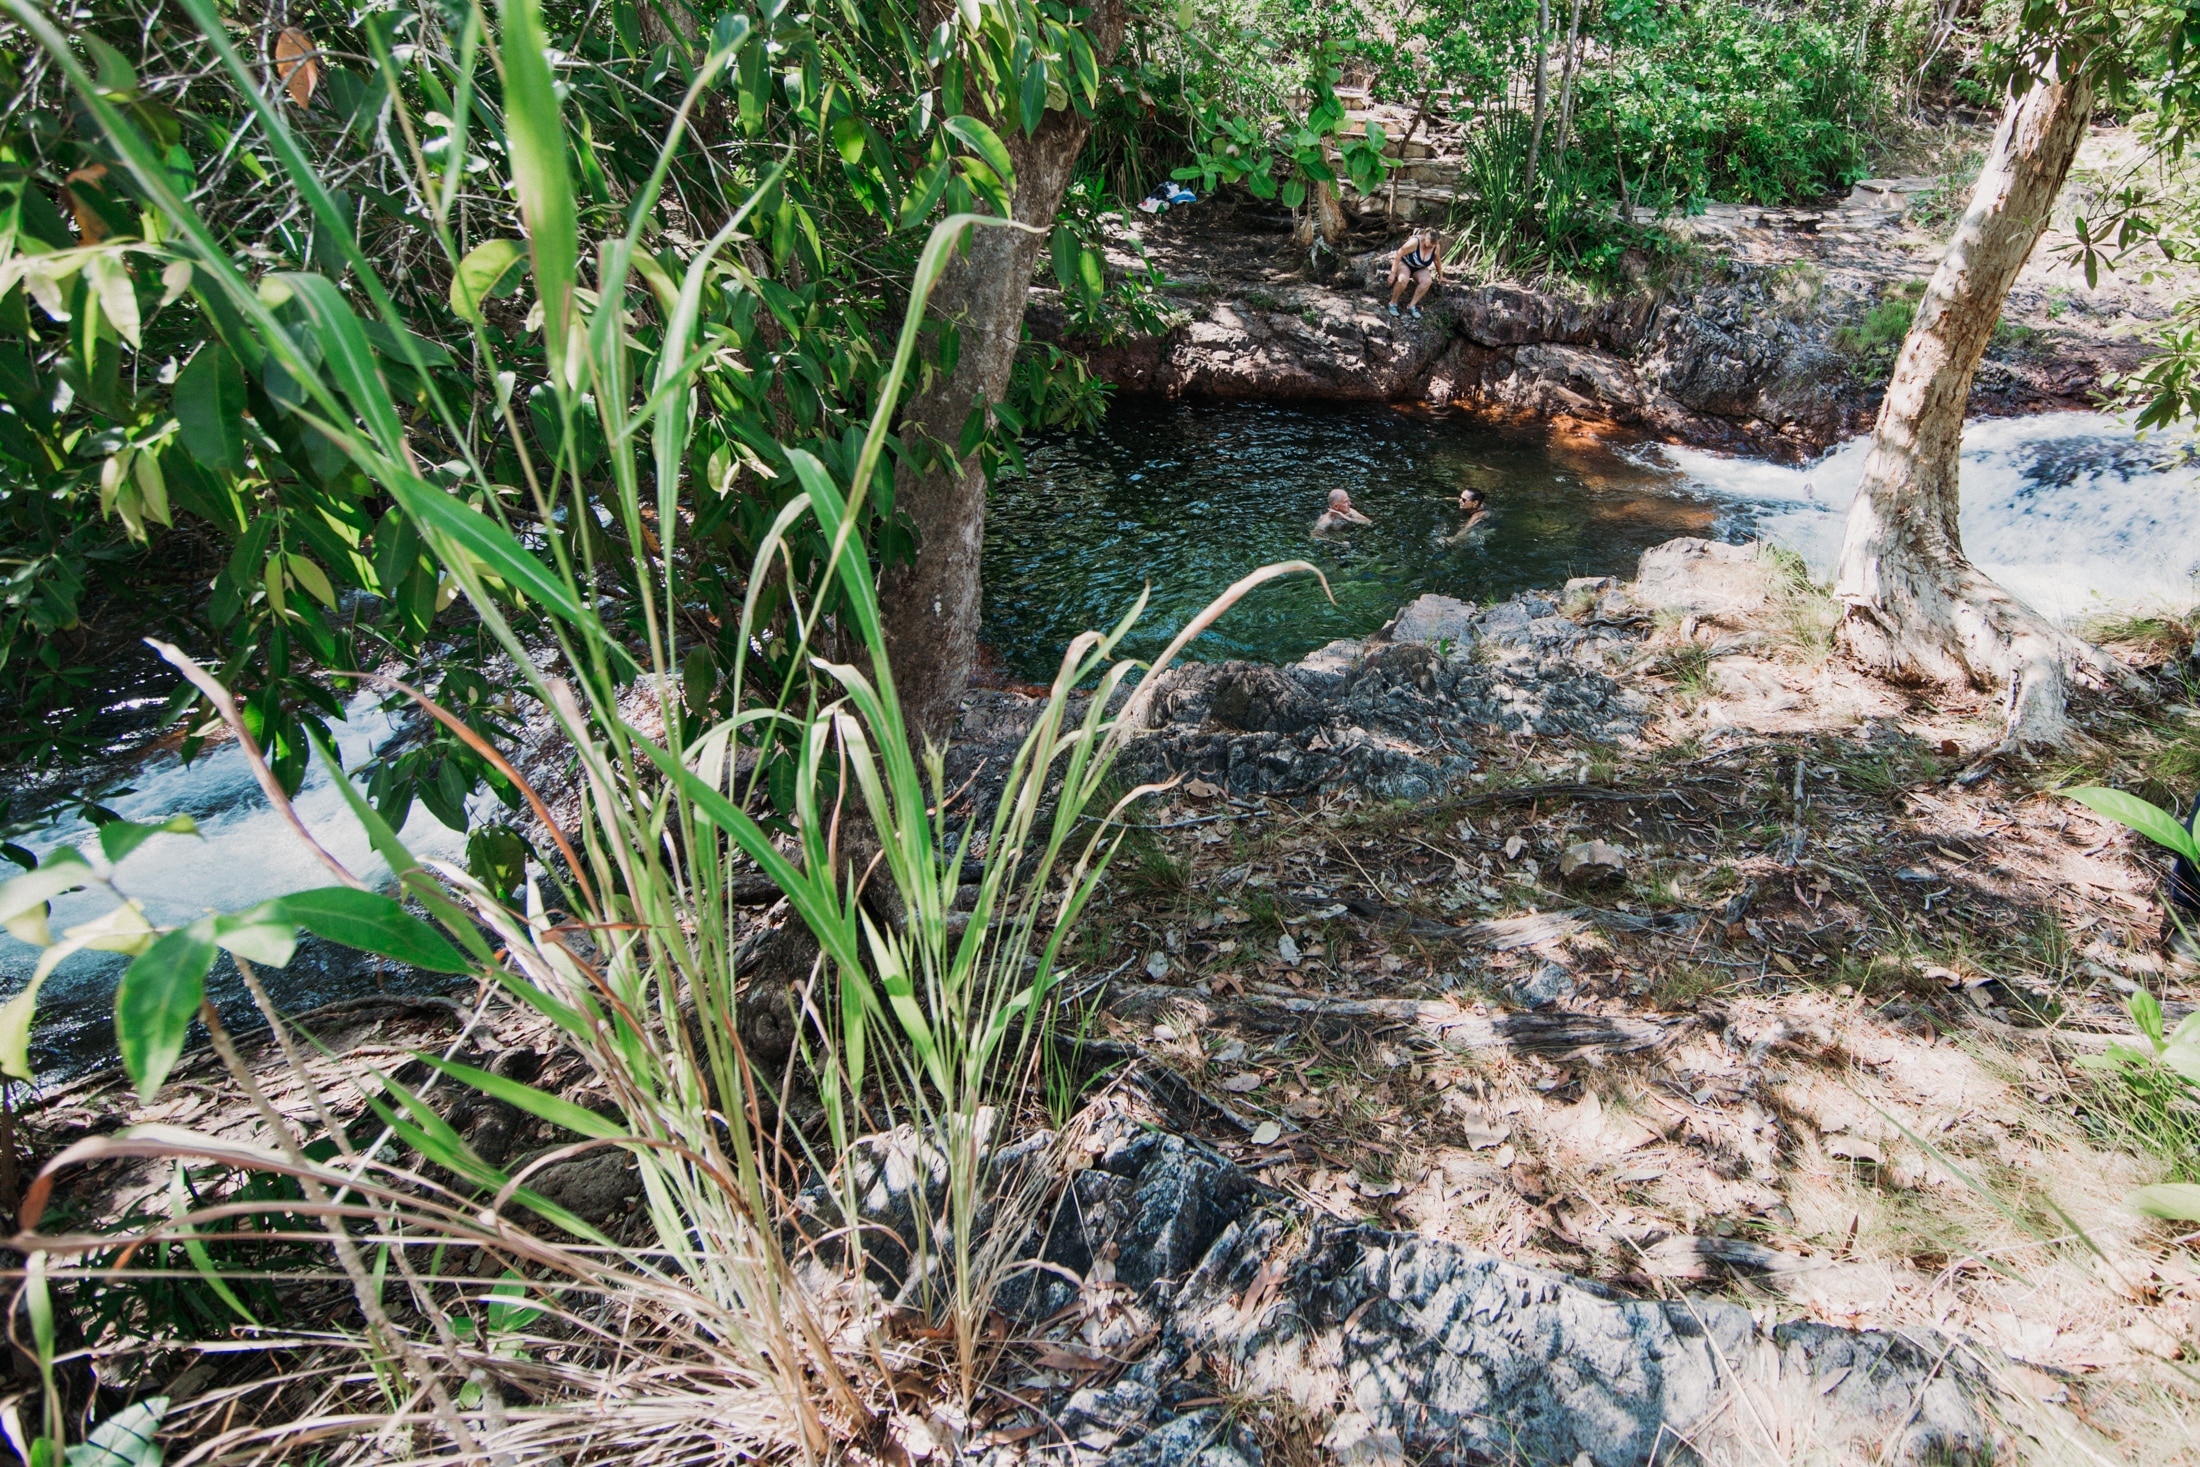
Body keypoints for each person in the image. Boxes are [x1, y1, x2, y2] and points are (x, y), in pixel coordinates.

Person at [1387, 228, 1443, 317]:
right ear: (1425, 238)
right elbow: (1399, 254)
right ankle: (1393, 303)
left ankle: (1412, 305)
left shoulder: (1436, 246)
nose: (1433, 245)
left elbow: (1437, 261)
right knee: (1403, 279)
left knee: (1427, 281)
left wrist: (1441, 275)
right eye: (1431, 243)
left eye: (1435, 243)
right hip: (1406, 264)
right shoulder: (1415, 242)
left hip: (1420, 268)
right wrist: (1392, 273)